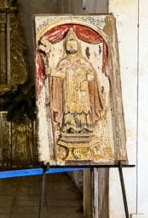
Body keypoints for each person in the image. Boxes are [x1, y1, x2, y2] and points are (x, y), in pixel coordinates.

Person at [44, 29, 107, 157]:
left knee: (83, 111)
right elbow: (60, 75)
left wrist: (89, 75)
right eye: (68, 44)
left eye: (73, 43)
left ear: (77, 45)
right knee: (70, 110)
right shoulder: (64, 62)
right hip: (69, 94)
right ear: (65, 46)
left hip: (82, 95)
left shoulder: (82, 61)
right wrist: (53, 72)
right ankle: (70, 127)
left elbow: (91, 73)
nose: (71, 46)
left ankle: (85, 128)